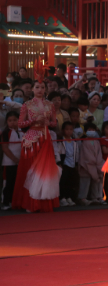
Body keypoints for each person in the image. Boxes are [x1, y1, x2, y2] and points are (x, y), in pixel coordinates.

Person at [12, 79, 60, 212]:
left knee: (45, 171)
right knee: (30, 170)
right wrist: (34, 120)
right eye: (37, 87)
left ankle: (42, 202)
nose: (40, 90)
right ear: (33, 89)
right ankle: (29, 202)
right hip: (31, 140)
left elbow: (54, 123)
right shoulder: (26, 105)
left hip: (45, 139)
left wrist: (48, 123)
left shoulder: (50, 105)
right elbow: (20, 124)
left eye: (42, 87)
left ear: (45, 89)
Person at [77, 122, 104, 206]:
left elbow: (99, 153)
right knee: (85, 181)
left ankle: (95, 197)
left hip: (96, 165)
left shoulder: (97, 142)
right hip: (86, 165)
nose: (91, 131)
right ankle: (82, 198)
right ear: (85, 131)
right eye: (89, 130)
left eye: (93, 129)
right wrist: (94, 162)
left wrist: (98, 162)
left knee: (96, 181)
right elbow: (86, 155)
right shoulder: (84, 142)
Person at [1, 111, 23, 210]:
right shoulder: (6, 132)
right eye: (10, 120)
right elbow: (5, 148)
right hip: (9, 162)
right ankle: (6, 202)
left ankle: (15, 201)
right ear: (7, 122)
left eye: (15, 120)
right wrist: (14, 159)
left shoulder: (23, 132)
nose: (12, 122)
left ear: (19, 120)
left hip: (21, 161)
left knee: (18, 182)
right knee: (9, 183)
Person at [58, 121, 79, 207]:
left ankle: (69, 197)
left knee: (71, 182)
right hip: (65, 164)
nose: (69, 131)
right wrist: (59, 163)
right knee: (63, 182)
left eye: (71, 129)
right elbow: (59, 152)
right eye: (67, 129)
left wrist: (76, 163)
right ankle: (62, 198)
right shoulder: (61, 141)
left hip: (72, 164)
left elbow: (76, 153)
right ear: (63, 130)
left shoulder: (74, 142)